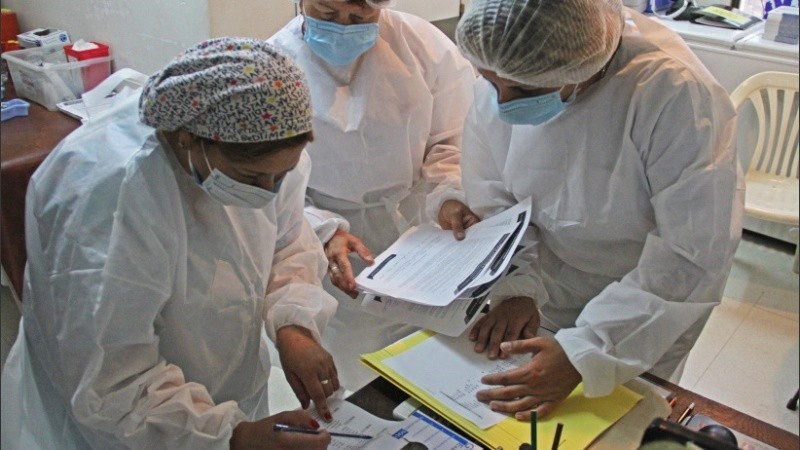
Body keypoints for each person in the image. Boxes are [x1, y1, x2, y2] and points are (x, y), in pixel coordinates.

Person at [1, 37, 338, 449]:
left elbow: (286, 240)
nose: (268, 193)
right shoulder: (111, 199)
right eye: (253, 179)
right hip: (123, 425)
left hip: (220, 392)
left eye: (281, 176)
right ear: (187, 137)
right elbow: (110, 384)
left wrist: (293, 325)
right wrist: (231, 437)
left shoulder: (266, 149)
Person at [454, 0, 744, 419]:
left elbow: (692, 256)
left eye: (523, 90)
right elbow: (494, 195)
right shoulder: (505, 62)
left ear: (584, 65)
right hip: (548, 286)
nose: (503, 103)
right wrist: (518, 286)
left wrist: (587, 353)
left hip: (643, 306)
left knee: (618, 423)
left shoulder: (672, 93)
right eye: (490, 82)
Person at [269, 0, 479, 391]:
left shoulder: (422, 46)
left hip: (420, 231)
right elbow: (273, 183)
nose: (344, 27)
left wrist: (448, 195)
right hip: (334, 250)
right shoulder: (274, 67)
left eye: (360, 16)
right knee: (359, 371)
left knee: (435, 366)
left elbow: (452, 138)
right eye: (328, 14)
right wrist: (324, 229)